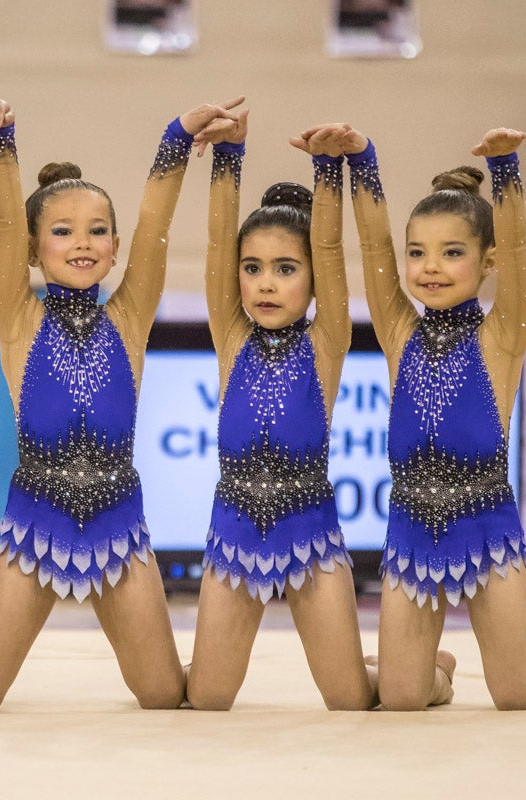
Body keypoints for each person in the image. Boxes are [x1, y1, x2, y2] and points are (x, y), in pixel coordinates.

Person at [0, 96, 241, 710]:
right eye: (62, 231)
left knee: (160, 693)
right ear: (33, 249)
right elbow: (1, 226)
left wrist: (175, 139)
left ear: (114, 243)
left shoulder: (126, 319)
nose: (82, 243)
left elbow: (157, 229)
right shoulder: (19, 318)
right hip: (34, 526)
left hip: (118, 528)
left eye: (97, 231)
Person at [337, 123, 526, 710]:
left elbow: (523, 261)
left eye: (452, 253)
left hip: (488, 530)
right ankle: (436, 668)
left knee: (518, 697)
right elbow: (374, 249)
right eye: (418, 253)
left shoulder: (502, 336)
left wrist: (507, 170)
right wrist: (364, 162)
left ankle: (517, 668)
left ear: (488, 262)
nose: (430, 267)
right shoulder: (398, 333)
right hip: (412, 533)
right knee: (402, 699)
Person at [185, 120, 377, 710]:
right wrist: (228, 156)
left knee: (351, 700)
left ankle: (430, 672)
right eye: (253, 268)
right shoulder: (231, 337)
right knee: (208, 699)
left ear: (314, 280)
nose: (265, 284)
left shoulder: (328, 341)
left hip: (312, 538)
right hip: (234, 537)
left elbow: (332, 250)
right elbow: (218, 241)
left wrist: (328, 171)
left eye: (286, 269)